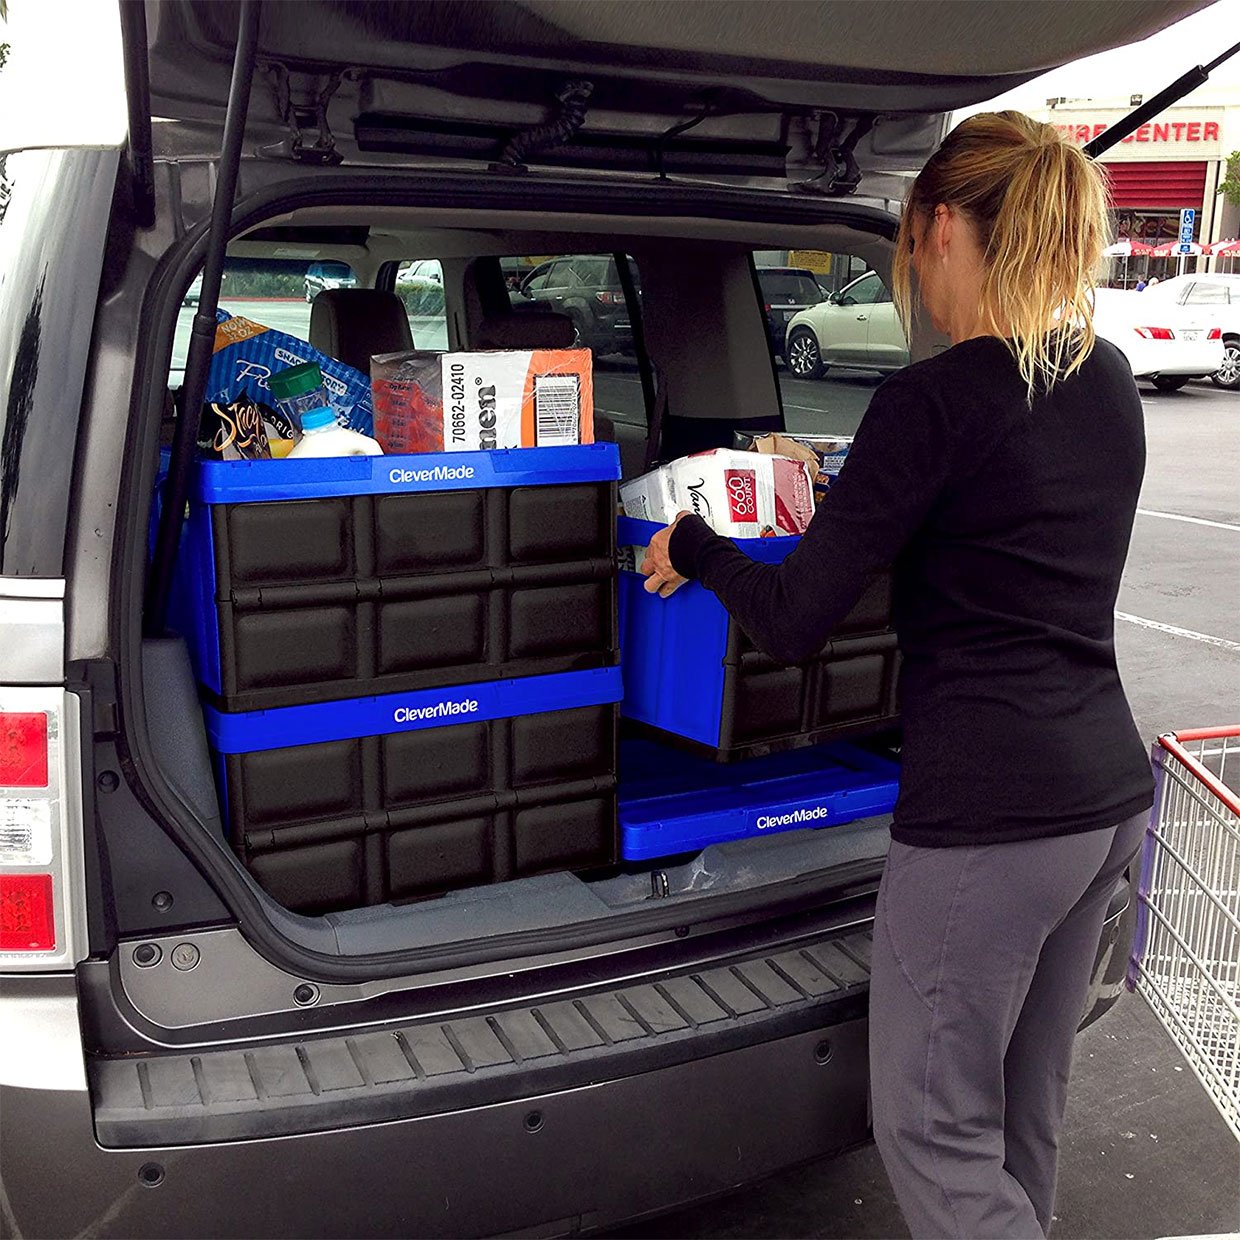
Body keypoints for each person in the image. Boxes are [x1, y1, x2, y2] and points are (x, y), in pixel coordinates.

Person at [640, 111, 1154, 1240]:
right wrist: (837, 483)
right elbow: (999, 525)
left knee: (930, 1129)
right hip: (1104, 799)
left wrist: (693, 544)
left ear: (932, 229)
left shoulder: (929, 405)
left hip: (990, 822)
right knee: (1026, 1107)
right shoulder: (1104, 378)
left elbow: (791, 619)